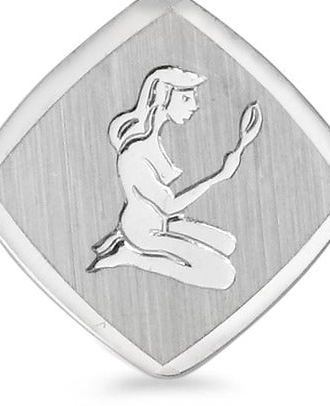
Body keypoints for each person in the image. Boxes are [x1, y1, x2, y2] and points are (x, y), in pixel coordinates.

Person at [87, 66, 261, 289]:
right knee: (224, 275)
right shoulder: (133, 156)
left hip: (164, 223)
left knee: (228, 243)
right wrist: (219, 177)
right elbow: (167, 205)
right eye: (186, 98)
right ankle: (130, 255)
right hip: (143, 231)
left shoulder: (154, 142)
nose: (195, 106)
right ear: (162, 98)